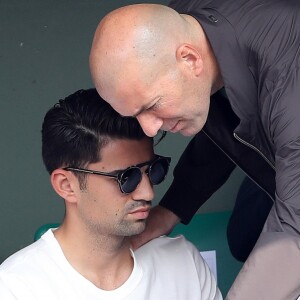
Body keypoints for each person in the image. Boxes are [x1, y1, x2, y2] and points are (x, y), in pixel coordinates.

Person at [89, 2, 300, 300]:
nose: (150, 130)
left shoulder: (289, 77)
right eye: (136, 114)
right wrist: (172, 209)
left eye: (151, 105)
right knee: (243, 239)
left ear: (189, 60)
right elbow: (225, 119)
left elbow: (296, 224)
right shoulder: (187, 27)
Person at [0, 88, 222, 300]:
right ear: (66, 185)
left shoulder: (183, 262)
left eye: (154, 170)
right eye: (126, 178)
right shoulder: (16, 288)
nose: (147, 192)